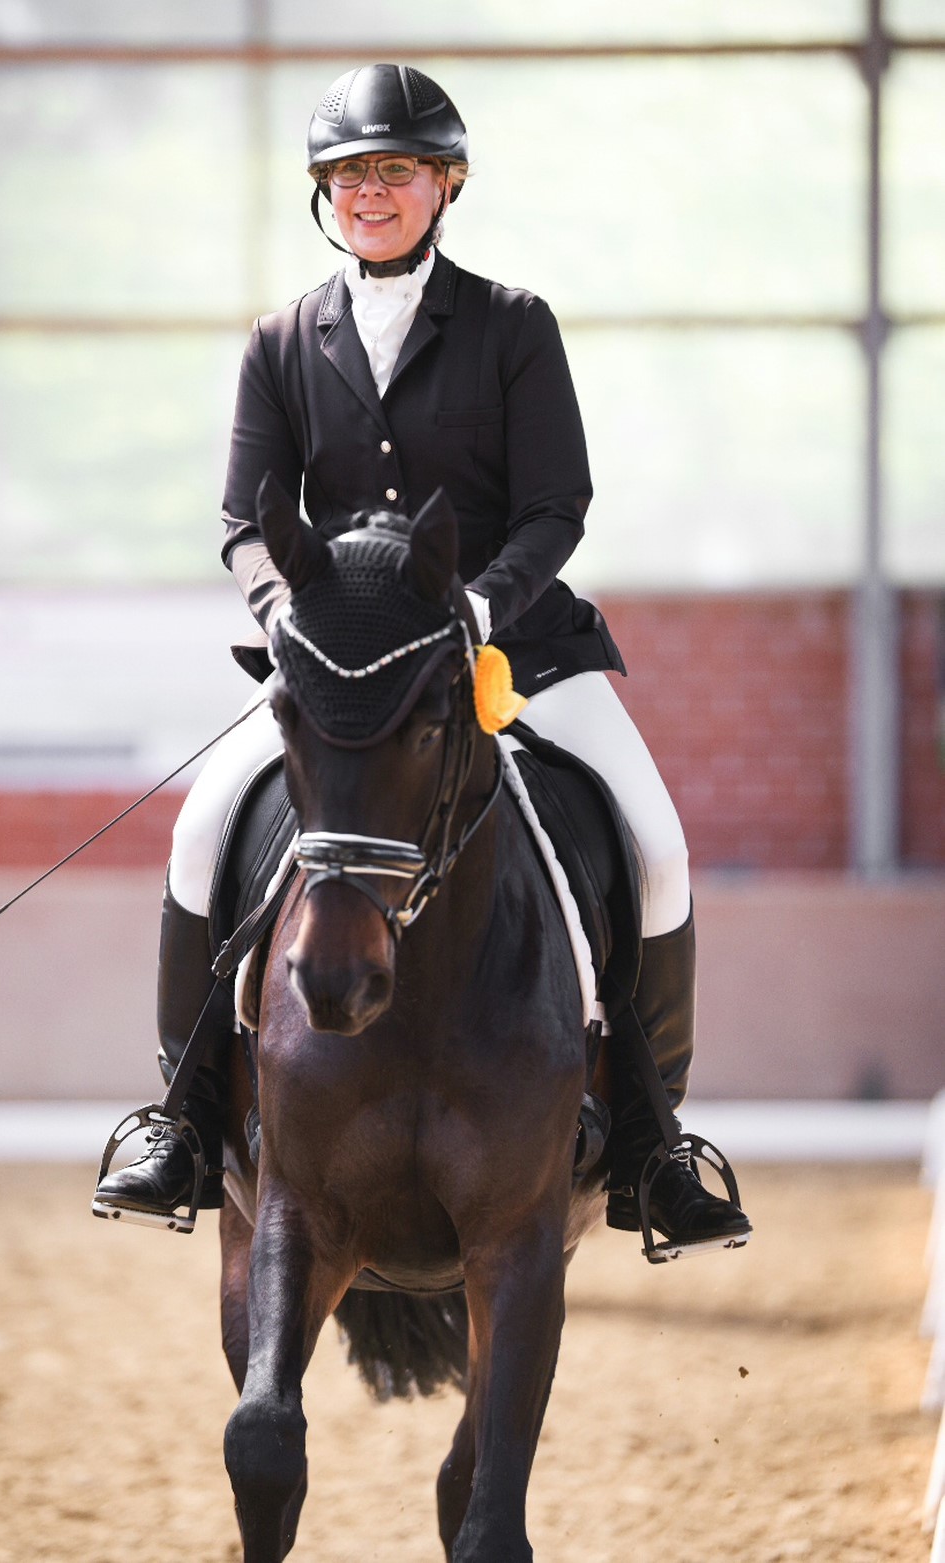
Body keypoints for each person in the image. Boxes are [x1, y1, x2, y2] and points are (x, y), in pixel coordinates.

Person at [93, 63, 751, 1257]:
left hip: (513, 649)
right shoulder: (284, 339)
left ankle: (655, 1146)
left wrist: (483, 612)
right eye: (348, 175)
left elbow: (559, 506)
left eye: (394, 170)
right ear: (323, 197)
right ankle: (182, 1123)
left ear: (445, 185)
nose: (370, 193)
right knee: (201, 833)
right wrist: (283, 607)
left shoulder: (512, 325)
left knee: (655, 842)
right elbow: (246, 519)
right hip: (345, 666)